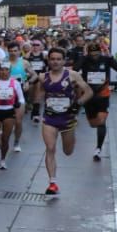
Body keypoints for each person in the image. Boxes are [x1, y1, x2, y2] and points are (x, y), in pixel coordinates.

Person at [30, 49, 94, 196]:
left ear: (64, 61)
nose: (55, 62)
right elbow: (39, 94)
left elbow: (89, 92)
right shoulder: (43, 77)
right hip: (49, 118)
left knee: (68, 151)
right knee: (50, 148)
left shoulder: (72, 75)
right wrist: (35, 110)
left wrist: (77, 104)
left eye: (59, 59)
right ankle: (52, 183)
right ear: (48, 60)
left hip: (68, 119)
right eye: (52, 59)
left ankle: (72, 139)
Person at [78, 37, 117, 160]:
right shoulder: (85, 59)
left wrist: (110, 56)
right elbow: (76, 69)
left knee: (101, 122)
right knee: (93, 124)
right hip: (88, 95)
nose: (94, 56)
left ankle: (98, 149)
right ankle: (97, 140)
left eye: (97, 54)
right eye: (92, 54)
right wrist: (83, 57)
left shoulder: (106, 59)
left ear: (100, 52)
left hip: (103, 95)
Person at [0, 67, 25, 170]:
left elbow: (21, 98)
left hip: (9, 112)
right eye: (2, 70)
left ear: (10, 72)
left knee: (5, 138)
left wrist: (19, 104)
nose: (4, 72)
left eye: (6, 70)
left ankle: (2, 160)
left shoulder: (15, 83)